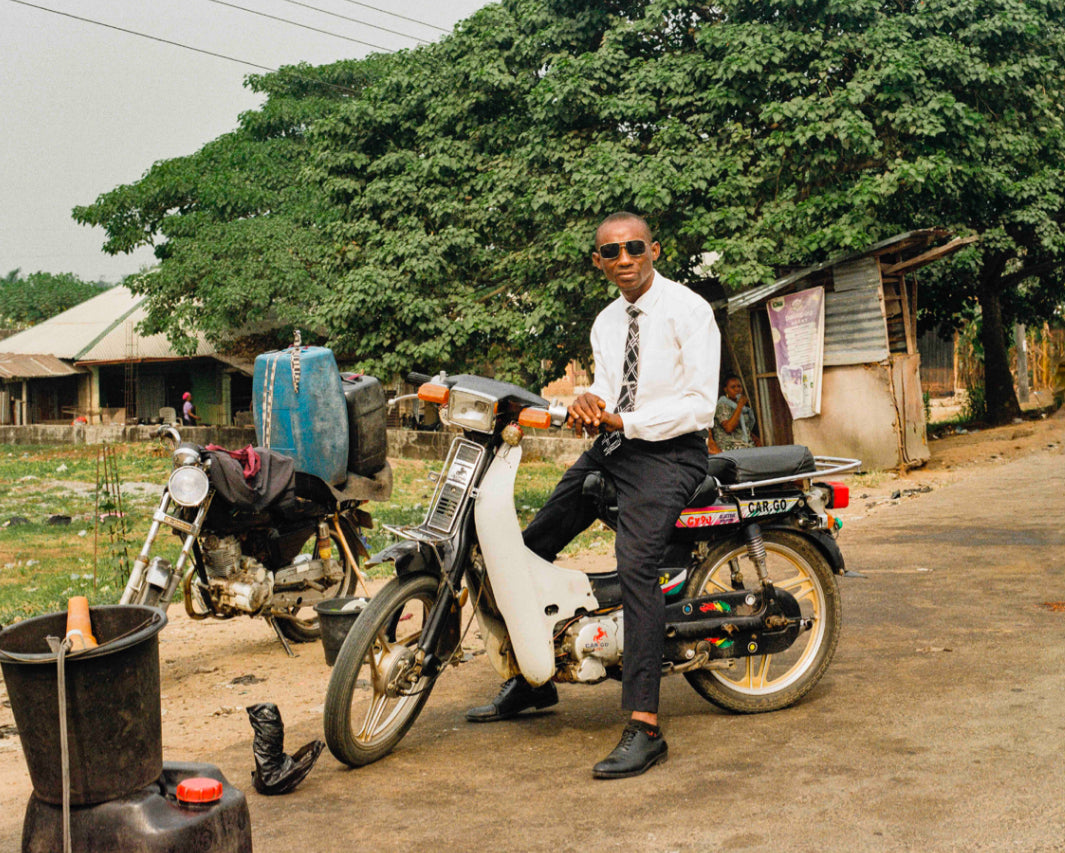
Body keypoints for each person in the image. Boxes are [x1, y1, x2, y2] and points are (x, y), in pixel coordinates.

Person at [465, 212, 721, 779]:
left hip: (672, 453)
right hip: (615, 446)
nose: (624, 259)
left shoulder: (689, 310)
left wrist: (622, 419)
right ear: (598, 262)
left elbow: (701, 404)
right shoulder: (607, 322)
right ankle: (532, 682)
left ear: (654, 249)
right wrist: (587, 399)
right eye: (611, 252)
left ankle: (645, 726)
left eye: (634, 247)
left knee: (636, 567)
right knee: (525, 548)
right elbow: (609, 385)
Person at [710, 374, 760, 451]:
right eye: (733, 387)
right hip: (730, 448)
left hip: (746, 446)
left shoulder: (743, 408)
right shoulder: (722, 406)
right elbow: (729, 428)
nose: (737, 389)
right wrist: (739, 407)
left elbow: (745, 429)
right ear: (726, 389)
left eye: (739, 386)